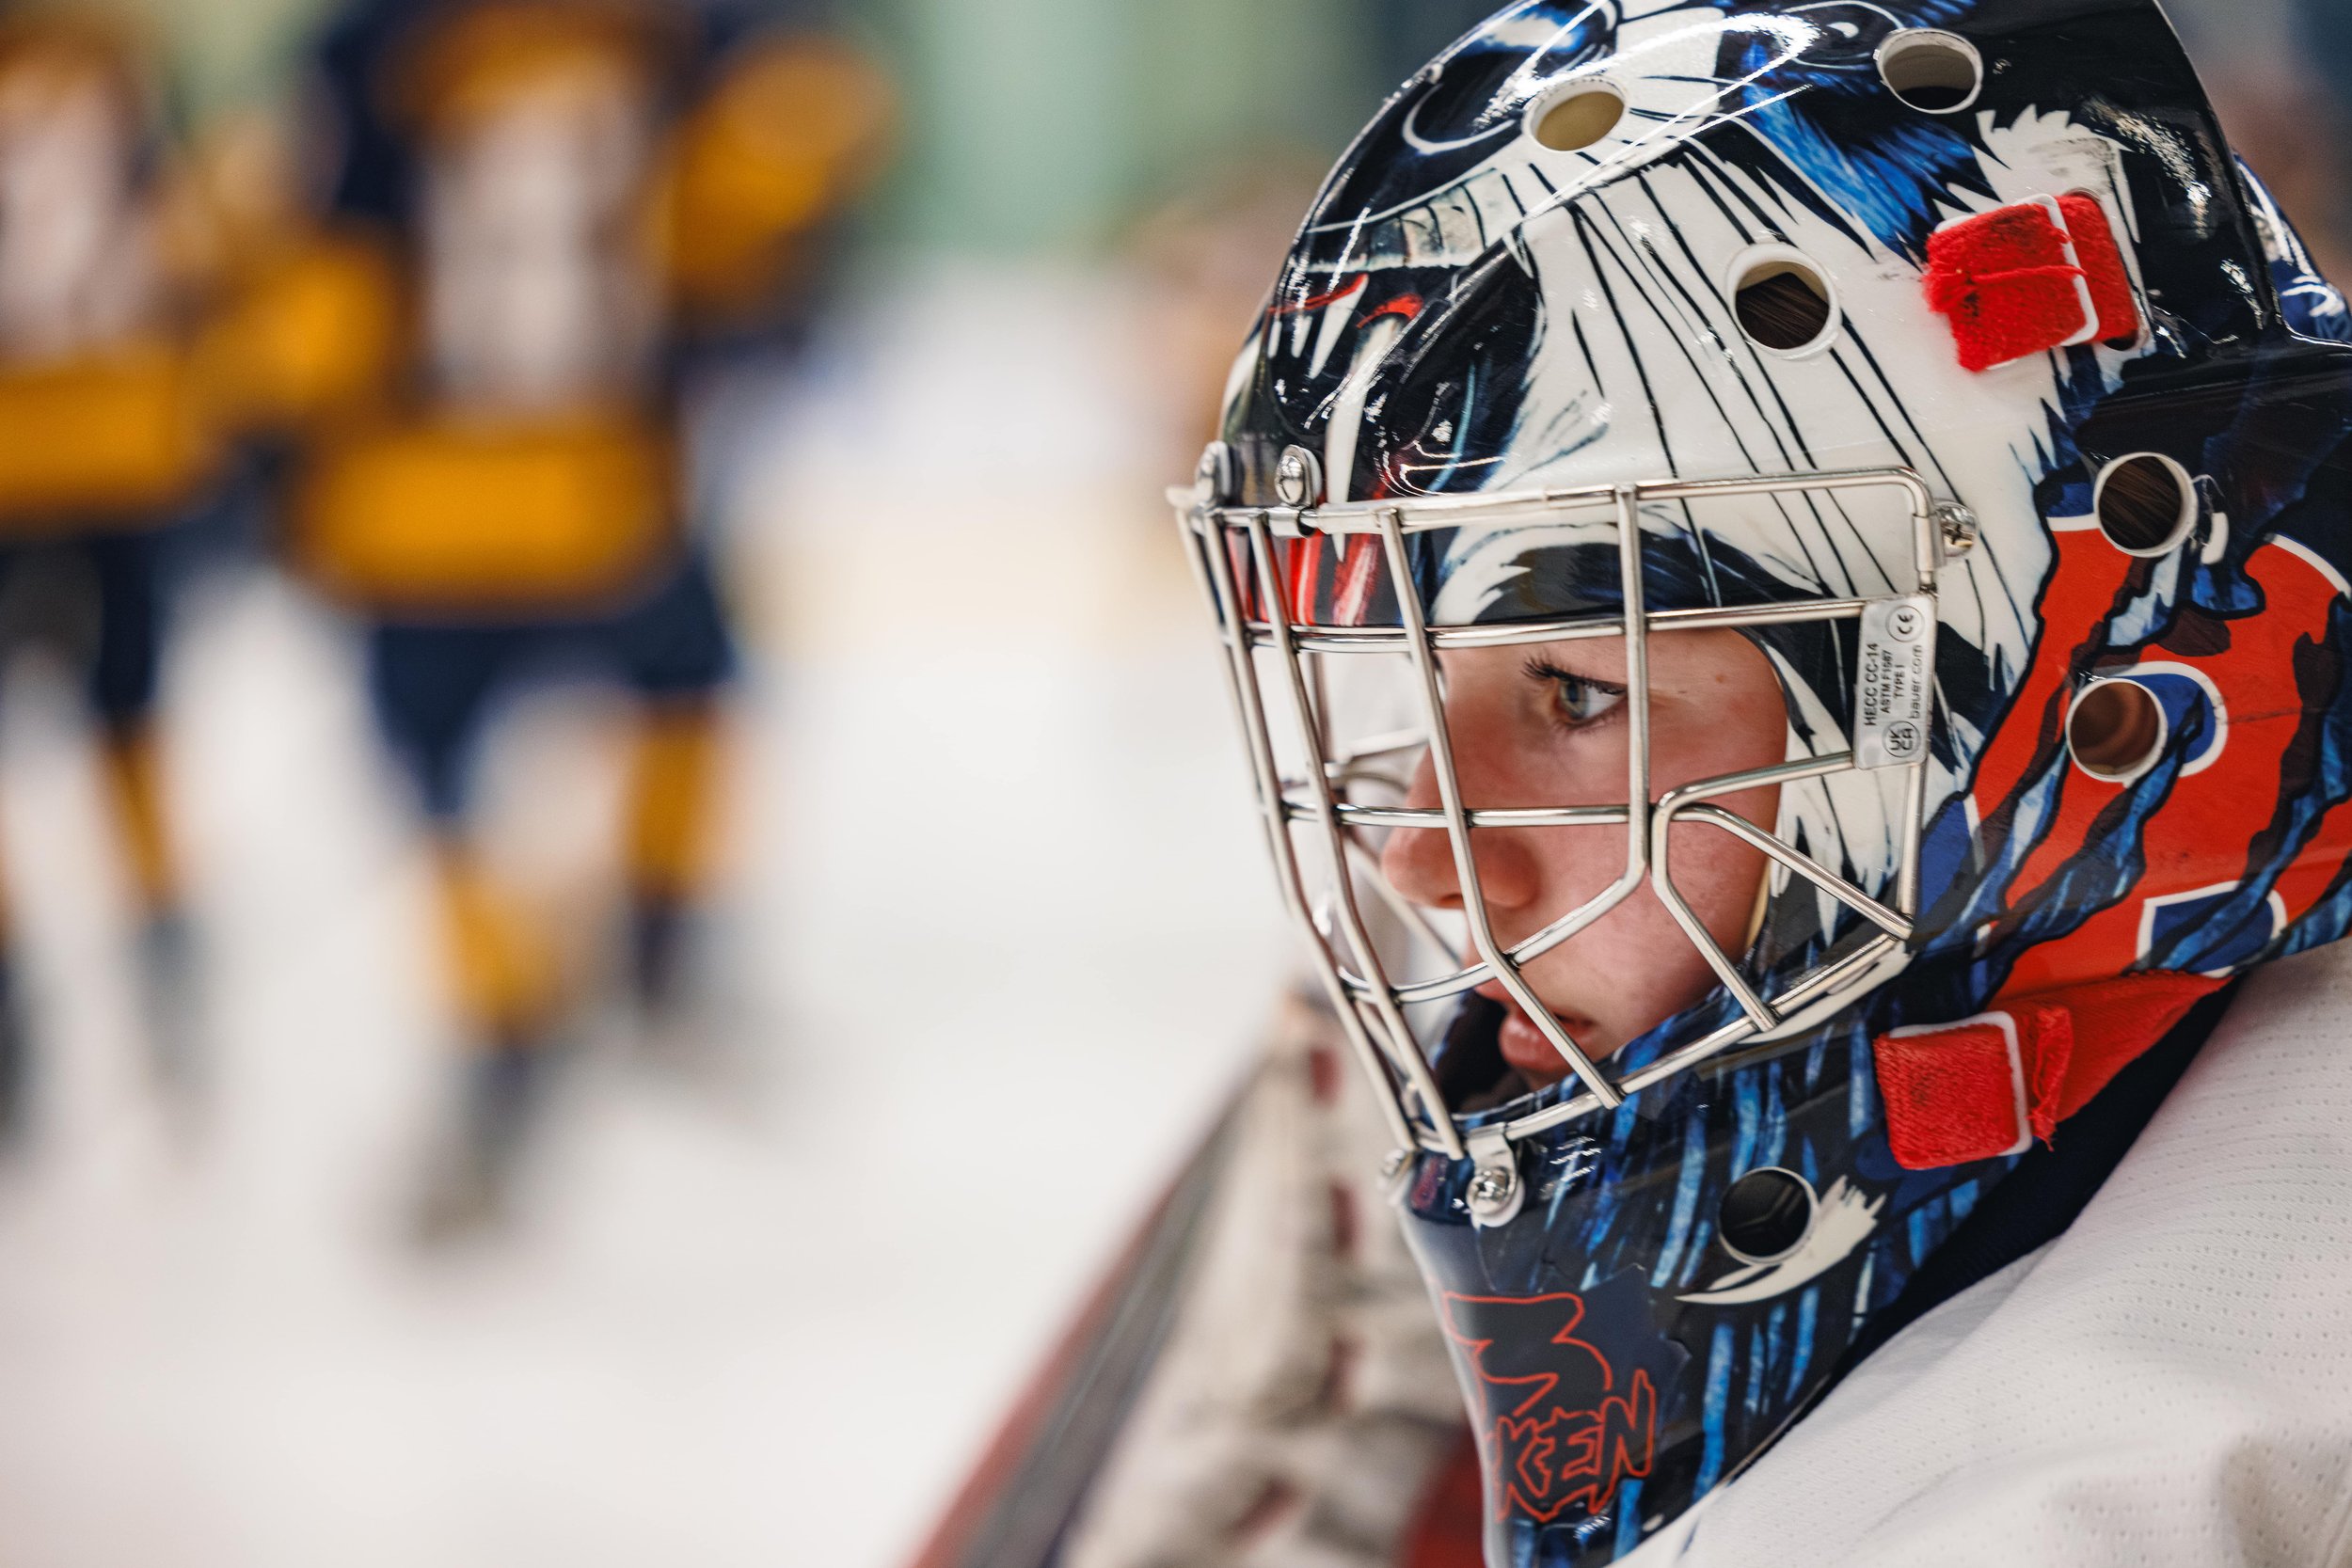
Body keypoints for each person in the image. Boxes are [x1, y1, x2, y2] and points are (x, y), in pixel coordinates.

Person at [1166, 1, 2352, 1563]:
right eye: (1418, 680)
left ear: (2072, 726)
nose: (1422, 859)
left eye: (1579, 694)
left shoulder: (2151, 1488)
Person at [215, 0, 891, 1234]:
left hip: (412, 487)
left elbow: (310, 279)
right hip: (598, 480)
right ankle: (657, 950)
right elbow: (753, 203)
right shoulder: (679, 37)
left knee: (439, 776)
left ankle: (506, 1017)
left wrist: (276, 461)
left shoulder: (368, 50)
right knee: (690, 684)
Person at [0, 8, 216, 1130]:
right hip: (122, 435)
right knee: (129, 718)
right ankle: (163, 949)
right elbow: (186, 225)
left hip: (81, 436)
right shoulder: (114, 49)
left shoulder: (111, 50)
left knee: (128, 717)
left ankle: (130, 967)